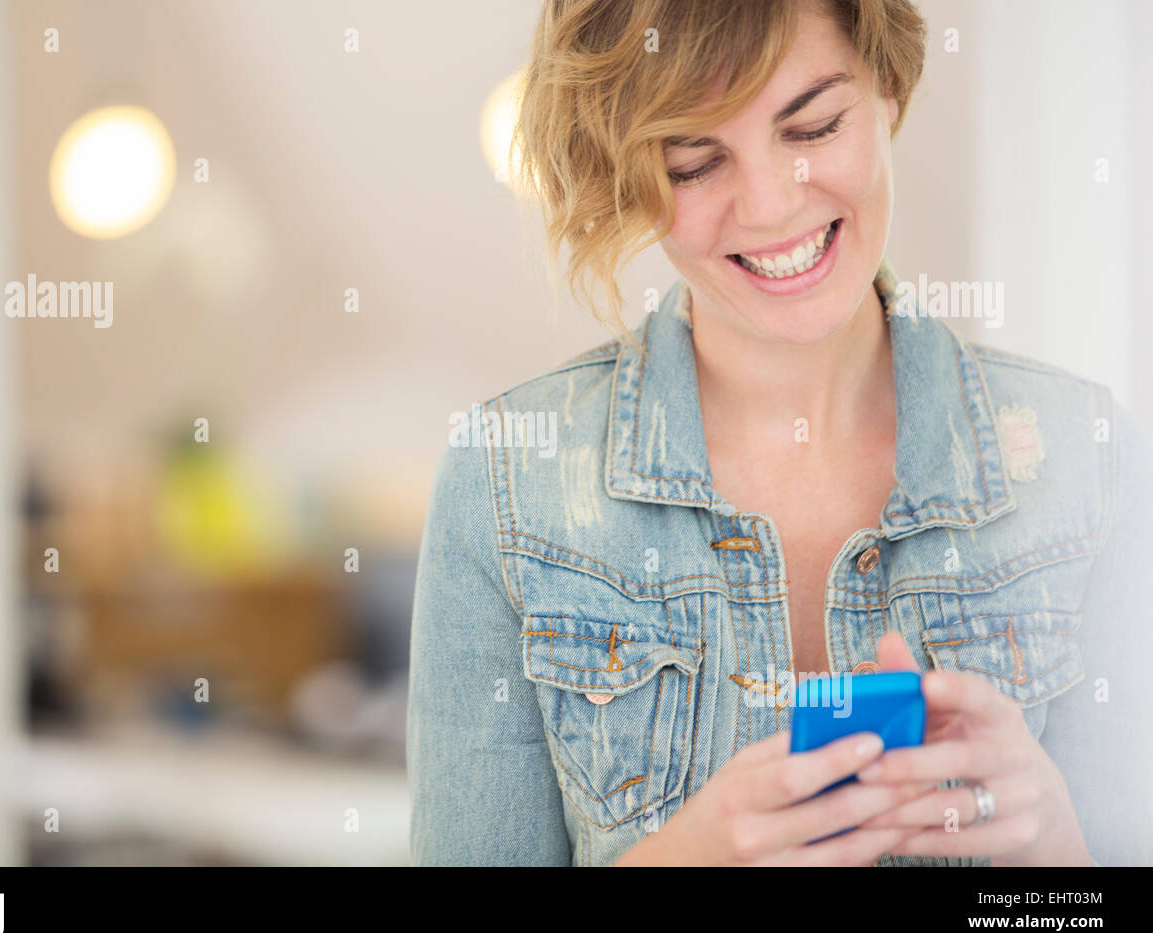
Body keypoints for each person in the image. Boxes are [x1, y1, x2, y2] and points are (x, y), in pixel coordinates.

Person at [406, 0, 1153, 866]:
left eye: (814, 126)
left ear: (889, 88)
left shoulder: (1087, 455)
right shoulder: (505, 477)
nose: (769, 206)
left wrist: (1049, 844)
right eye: (692, 163)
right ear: (627, 178)